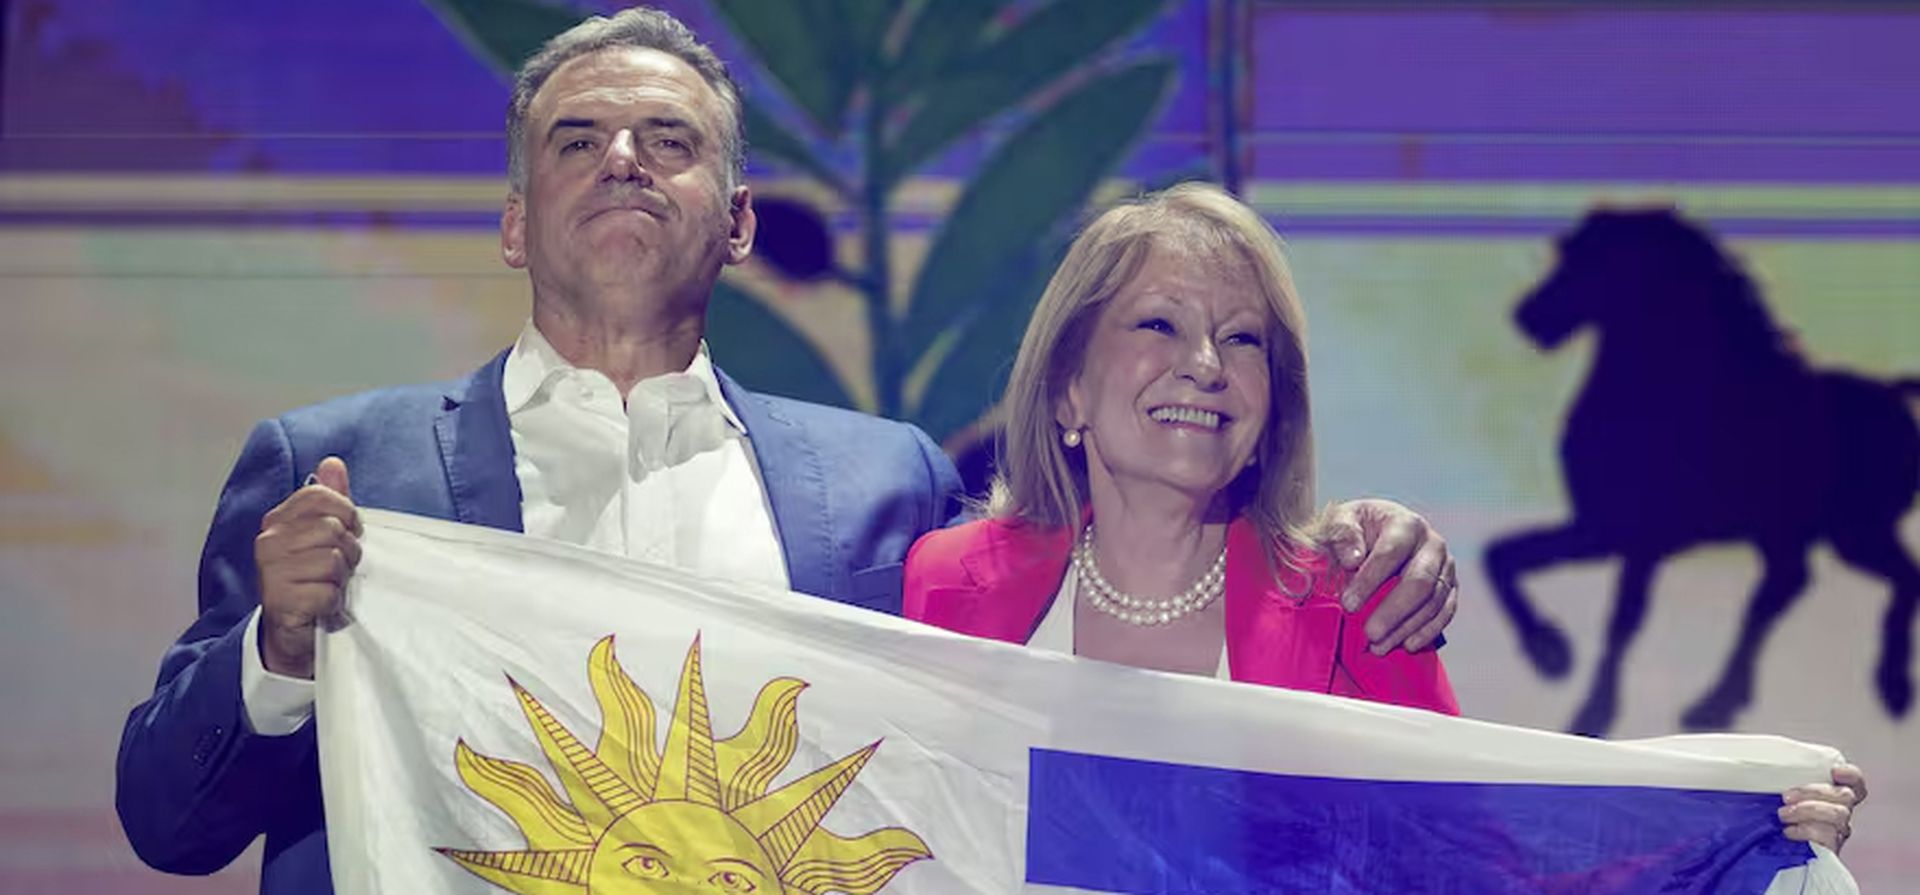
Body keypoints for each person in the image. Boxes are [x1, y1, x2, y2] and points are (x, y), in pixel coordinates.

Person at [113, 8, 1462, 894]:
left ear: (741, 221)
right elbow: (170, 824)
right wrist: (277, 656)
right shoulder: (337, 466)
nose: (625, 160)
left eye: (672, 142)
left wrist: (1358, 542)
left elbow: (1067, 672)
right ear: (516, 222)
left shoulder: (886, 485)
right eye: (577, 141)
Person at [902, 182, 1864, 851]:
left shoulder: (1356, 598)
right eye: (1159, 323)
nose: (1205, 362)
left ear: (1270, 407)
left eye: (1244, 340)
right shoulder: (942, 583)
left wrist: (1742, 814)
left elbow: (1477, 850)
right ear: (1067, 387)